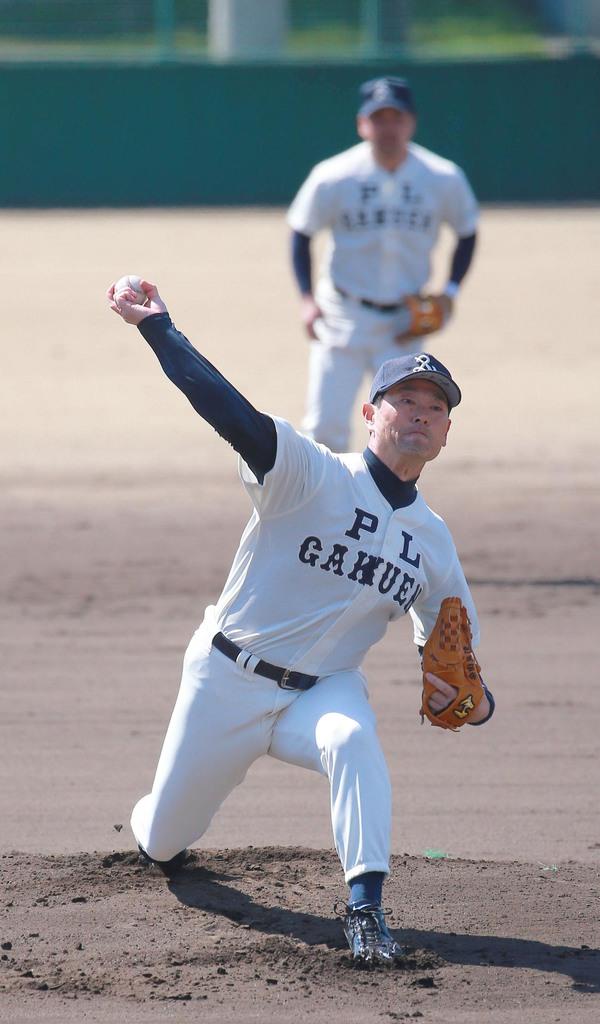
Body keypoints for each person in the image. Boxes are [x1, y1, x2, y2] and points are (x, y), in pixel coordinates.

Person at [106, 278, 495, 966]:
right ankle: (155, 821)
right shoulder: (312, 474)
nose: (421, 414)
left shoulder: (433, 542)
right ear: (372, 413)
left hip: (322, 691)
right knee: (165, 839)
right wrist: (158, 328)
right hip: (225, 678)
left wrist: (474, 701)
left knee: (352, 740)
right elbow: (230, 411)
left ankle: (366, 911)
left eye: (435, 408)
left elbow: (451, 647)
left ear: (446, 433)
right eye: (406, 399)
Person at [288, 75, 479, 452]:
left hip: (404, 323)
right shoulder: (334, 175)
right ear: (362, 124)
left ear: (411, 122)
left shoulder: (441, 177)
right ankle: (330, 509)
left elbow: (467, 230)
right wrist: (307, 298)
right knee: (324, 430)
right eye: (379, 118)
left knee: (399, 434)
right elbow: (301, 231)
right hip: (341, 313)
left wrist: (450, 291)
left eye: (396, 117)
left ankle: (383, 508)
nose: (388, 127)